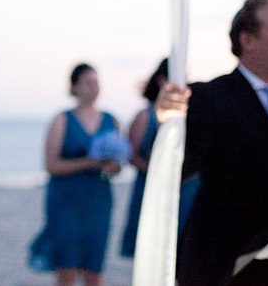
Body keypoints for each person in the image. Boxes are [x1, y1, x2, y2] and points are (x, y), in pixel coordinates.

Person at [157, 0, 268, 286]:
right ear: (247, 41)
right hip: (235, 265)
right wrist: (168, 124)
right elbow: (176, 170)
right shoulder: (208, 98)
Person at [29, 63, 122, 286]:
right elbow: (50, 165)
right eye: (88, 82)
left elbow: (119, 166)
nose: (94, 87)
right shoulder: (62, 120)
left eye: (96, 82)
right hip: (67, 202)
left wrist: (112, 167)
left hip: (98, 200)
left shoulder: (112, 120)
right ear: (75, 87)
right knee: (67, 269)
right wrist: (89, 163)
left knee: (94, 269)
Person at [120, 58, 199, 258]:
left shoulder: (194, 113)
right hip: (152, 187)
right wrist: (159, 170)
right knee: (151, 251)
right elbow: (131, 155)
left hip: (189, 189)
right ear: (162, 80)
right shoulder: (145, 115)